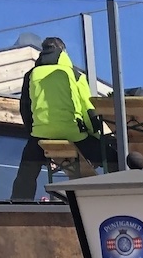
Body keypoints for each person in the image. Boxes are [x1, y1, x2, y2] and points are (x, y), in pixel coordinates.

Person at [9, 35, 116, 201]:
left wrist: (34, 132)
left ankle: (19, 203)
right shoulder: (75, 74)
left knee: (27, 169)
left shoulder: (30, 75)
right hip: (72, 133)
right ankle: (121, 194)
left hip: (41, 133)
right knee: (112, 158)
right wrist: (95, 134)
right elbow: (87, 108)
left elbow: (25, 109)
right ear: (63, 51)